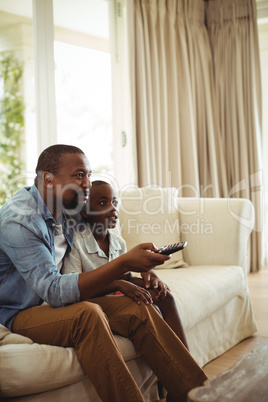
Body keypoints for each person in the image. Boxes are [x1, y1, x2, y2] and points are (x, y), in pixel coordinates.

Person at [0, 144, 207, 402]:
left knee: (139, 307)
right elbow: (53, 290)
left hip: (55, 304)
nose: (87, 183)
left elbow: (103, 226)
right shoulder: (19, 220)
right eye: (79, 175)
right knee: (87, 314)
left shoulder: (68, 209)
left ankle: (196, 395)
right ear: (48, 180)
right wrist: (124, 265)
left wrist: (142, 267)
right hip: (20, 312)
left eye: (88, 175)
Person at [62, 180, 189, 349]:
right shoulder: (76, 242)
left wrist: (149, 278)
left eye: (114, 202)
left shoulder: (118, 243)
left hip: (115, 294)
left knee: (164, 296)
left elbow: (125, 276)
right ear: (84, 211)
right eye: (103, 203)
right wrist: (120, 284)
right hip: (91, 303)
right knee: (141, 304)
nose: (113, 208)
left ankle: (185, 357)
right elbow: (74, 286)